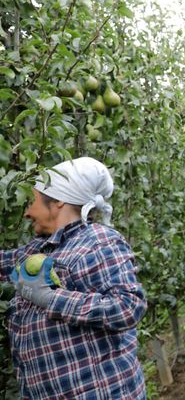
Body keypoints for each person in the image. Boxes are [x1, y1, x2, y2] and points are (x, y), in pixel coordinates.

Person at [1, 157, 147, 399]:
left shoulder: (98, 241)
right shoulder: (37, 250)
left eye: (32, 201)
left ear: (58, 200)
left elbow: (129, 306)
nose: (27, 212)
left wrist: (50, 299)